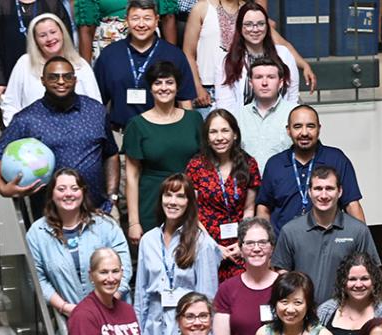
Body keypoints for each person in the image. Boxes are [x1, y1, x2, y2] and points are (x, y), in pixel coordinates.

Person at [0, 57, 120, 214]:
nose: (61, 81)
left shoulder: (96, 111)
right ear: (43, 81)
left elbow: (111, 153)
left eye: (67, 76)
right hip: (51, 218)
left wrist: (112, 197)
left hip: (98, 211)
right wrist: (3, 189)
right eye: (53, 77)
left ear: (75, 80)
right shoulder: (26, 119)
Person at [26, 168, 132, 315]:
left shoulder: (106, 225)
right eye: (61, 189)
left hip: (113, 315)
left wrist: (106, 304)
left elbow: (125, 268)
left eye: (74, 188)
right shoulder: (37, 233)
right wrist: (66, 308)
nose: (68, 194)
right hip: (69, 317)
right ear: (51, 194)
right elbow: (37, 279)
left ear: (83, 192)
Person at [134, 174, 221, 335]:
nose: (172, 202)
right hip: (153, 330)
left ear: (189, 202)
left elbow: (207, 298)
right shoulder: (148, 240)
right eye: (168, 195)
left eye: (180, 196)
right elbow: (141, 295)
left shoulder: (202, 242)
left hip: (187, 331)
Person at [272, 166, 380, 304]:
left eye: (329, 188)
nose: (323, 195)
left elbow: (373, 276)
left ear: (340, 191)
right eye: (318, 189)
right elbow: (282, 278)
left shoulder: (358, 231)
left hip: (344, 315)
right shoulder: (290, 231)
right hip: (303, 316)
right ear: (309, 192)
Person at [123, 61, 203, 241]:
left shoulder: (194, 119)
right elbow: (132, 176)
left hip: (189, 197)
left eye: (169, 82)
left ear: (177, 87)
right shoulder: (137, 124)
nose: (164, 88)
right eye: (158, 83)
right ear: (150, 89)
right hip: (152, 199)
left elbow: (205, 165)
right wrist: (134, 222)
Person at [256, 105, 366, 236]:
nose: (304, 133)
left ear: (319, 129)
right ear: (288, 130)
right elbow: (263, 208)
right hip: (284, 248)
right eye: (297, 126)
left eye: (310, 126)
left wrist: (364, 247)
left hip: (328, 245)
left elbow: (352, 205)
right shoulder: (275, 164)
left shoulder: (336, 159)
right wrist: (265, 242)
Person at [93, 0, 195, 131]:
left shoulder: (174, 55)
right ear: (127, 20)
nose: (141, 25)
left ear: (157, 19)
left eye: (147, 18)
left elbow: (185, 101)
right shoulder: (109, 55)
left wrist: (188, 135)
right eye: (135, 18)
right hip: (120, 134)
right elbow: (97, 102)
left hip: (164, 133)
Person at [184, 109, 260, 281]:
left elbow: (249, 209)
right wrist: (212, 245)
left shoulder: (249, 164)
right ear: (207, 137)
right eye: (213, 132)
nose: (220, 137)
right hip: (205, 243)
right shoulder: (196, 166)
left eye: (225, 130)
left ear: (235, 134)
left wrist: (243, 242)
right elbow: (192, 211)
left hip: (239, 246)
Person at [1, 14, 101, 126]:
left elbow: (95, 104)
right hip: (34, 138)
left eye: (53, 32)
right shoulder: (25, 63)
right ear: (35, 40)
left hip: (78, 134)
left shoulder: (80, 65)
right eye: (42, 35)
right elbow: (10, 104)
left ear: (62, 33)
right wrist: (20, 131)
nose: (49, 39)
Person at [214, 2, 312, 113]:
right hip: (242, 126)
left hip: (281, 124)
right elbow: (226, 107)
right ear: (240, 27)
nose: (255, 29)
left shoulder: (284, 55)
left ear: (267, 26)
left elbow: (292, 97)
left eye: (260, 24)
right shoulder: (227, 62)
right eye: (248, 24)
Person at [213, 217, 279, 335]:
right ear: (241, 249)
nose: (256, 249)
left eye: (263, 242)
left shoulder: (286, 287)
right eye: (250, 243)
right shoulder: (227, 289)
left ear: (272, 248)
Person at [0, 0, 72, 101]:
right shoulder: (2, 5)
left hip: (48, 72)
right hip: (10, 72)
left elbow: (66, 41)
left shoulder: (52, 3)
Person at [233, 58, 293, 173]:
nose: (264, 83)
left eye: (271, 77)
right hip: (247, 185)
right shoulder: (237, 116)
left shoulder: (294, 114)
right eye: (258, 77)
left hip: (284, 184)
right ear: (250, 83)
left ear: (280, 83)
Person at [77, 0, 178, 62]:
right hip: (107, 47)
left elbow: (168, 18)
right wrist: (87, 70)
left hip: (148, 43)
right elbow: (86, 29)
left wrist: (172, 57)